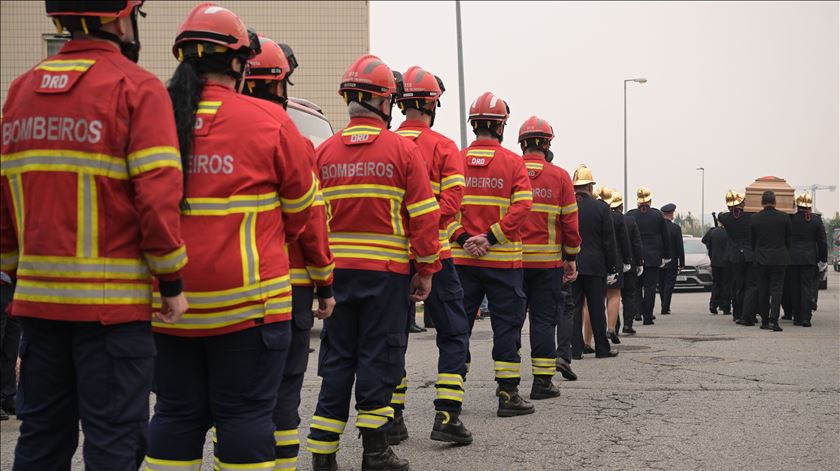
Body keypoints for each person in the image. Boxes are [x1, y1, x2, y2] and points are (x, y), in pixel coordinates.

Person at [2, 1, 188, 468]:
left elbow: (5, 203)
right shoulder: (136, 88)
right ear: (115, 17)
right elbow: (157, 197)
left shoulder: (21, 91)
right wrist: (171, 282)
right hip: (112, 314)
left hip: (38, 309)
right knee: (114, 441)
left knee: (41, 438)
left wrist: (14, 274)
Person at [145, 5, 321, 470]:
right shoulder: (270, 121)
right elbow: (302, 210)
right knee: (245, 416)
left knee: (175, 414)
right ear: (240, 63)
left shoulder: (149, 117)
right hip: (251, 307)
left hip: (169, 304)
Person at [306, 54, 441, 471]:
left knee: (337, 361)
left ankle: (323, 455)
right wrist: (426, 270)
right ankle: (375, 452)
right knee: (378, 360)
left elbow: (310, 219)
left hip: (337, 278)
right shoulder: (402, 151)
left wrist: (318, 278)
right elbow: (423, 216)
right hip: (385, 278)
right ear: (386, 102)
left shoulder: (323, 152)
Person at [242, 37, 336, 470]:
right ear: (279, 84)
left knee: (221, 394)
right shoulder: (294, 140)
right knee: (282, 386)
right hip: (287, 283)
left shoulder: (189, 127)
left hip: (214, 287)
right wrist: (323, 282)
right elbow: (312, 219)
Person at [391, 65, 472, 445]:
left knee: (392, 336)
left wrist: (403, 223)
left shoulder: (387, 143)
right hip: (437, 256)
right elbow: (453, 202)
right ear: (432, 105)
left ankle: (392, 418)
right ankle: (447, 415)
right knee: (454, 333)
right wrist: (425, 223)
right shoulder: (443, 146)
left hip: (390, 256)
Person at [452, 91, 535, 417]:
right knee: (506, 327)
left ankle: (452, 395)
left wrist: (464, 240)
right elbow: (523, 206)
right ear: (501, 126)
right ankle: (508, 394)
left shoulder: (455, 159)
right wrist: (491, 238)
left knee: (458, 328)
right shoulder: (514, 163)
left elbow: (443, 210)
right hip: (503, 262)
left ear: (474, 125)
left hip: (462, 261)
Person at [517, 116, 581, 396]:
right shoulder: (559, 176)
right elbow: (570, 223)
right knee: (543, 321)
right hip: (547, 264)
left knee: (510, 321)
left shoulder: (510, 169)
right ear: (547, 144)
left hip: (512, 263)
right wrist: (571, 257)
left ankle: (506, 384)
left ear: (522, 144)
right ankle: (542, 383)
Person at [570, 166, 619, 359]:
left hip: (572, 263)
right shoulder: (601, 208)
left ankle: (574, 350)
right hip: (596, 265)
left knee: (573, 308)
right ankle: (602, 348)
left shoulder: (567, 205)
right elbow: (609, 241)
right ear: (590, 186)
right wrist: (612, 267)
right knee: (597, 307)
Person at [626, 187, 671, 325]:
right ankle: (647, 316)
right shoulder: (658, 215)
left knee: (636, 287)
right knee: (650, 287)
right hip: (653, 256)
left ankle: (637, 313)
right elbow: (665, 237)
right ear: (650, 200)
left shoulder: (630, 215)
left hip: (635, 257)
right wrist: (666, 255)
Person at [749, 191, 791, 332]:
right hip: (780, 259)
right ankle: (774, 321)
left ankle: (765, 321)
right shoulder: (784, 218)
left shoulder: (754, 218)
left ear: (762, 202)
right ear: (775, 202)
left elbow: (752, 241)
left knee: (763, 291)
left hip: (761, 259)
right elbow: (788, 240)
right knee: (777, 290)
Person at [785, 192, 827, 327]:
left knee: (794, 288)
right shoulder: (816, 220)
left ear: (797, 205)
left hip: (792, 259)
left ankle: (797, 317)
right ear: (809, 206)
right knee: (807, 288)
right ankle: (806, 318)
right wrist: (823, 258)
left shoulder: (790, 218)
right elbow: (822, 242)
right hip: (809, 259)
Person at [718, 191, 756, 325]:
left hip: (735, 256)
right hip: (749, 255)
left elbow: (720, 215)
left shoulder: (726, 218)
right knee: (750, 286)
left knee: (738, 286)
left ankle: (738, 314)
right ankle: (747, 314)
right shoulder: (751, 216)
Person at [600, 188, 632, 342]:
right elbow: (625, 242)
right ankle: (611, 328)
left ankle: (588, 336)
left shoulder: (595, 213)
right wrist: (628, 261)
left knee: (591, 300)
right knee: (614, 295)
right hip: (616, 260)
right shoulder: (619, 219)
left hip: (598, 261)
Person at [613, 192, 644, 334]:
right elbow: (636, 243)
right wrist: (639, 262)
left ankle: (615, 325)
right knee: (629, 296)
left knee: (612, 297)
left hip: (613, 265)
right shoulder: (630, 221)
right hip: (629, 265)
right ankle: (628, 325)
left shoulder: (606, 219)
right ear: (622, 206)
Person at [702, 219, 732, 315]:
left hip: (715, 261)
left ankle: (713, 305)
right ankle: (726, 307)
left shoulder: (713, 231)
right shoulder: (730, 231)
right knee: (726, 284)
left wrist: (710, 247)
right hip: (727, 262)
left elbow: (704, 240)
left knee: (716, 284)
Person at [659, 203, 685, 314]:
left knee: (661, 284)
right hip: (672, 261)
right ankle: (665, 307)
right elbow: (679, 247)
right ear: (671, 213)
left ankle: (663, 303)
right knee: (669, 285)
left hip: (659, 260)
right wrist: (682, 262)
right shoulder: (676, 228)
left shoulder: (657, 228)